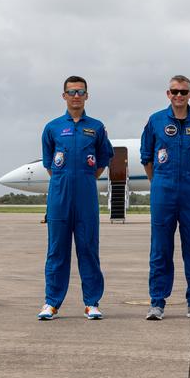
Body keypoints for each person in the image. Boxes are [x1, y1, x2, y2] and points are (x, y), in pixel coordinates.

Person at [140, 75, 190, 320]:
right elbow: (147, 158)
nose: (179, 96)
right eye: (175, 91)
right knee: (160, 248)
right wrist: (159, 182)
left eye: (184, 92)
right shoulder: (155, 121)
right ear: (168, 94)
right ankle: (157, 302)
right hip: (163, 190)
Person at [37, 76, 113, 321]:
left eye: (80, 92)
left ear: (87, 96)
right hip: (59, 196)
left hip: (86, 196)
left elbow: (102, 161)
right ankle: (51, 302)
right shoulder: (52, 128)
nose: (76, 96)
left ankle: (91, 303)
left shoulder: (97, 127)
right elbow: (50, 165)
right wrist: (65, 180)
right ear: (64, 96)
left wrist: (83, 178)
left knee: (88, 249)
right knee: (56, 251)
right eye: (71, 92)